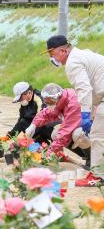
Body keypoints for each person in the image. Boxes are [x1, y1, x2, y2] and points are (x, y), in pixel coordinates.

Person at [43, 35, 104, 186]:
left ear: (62, 50)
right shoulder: (83, 54)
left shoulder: (73, 62)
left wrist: (85, 114)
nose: (52, 58)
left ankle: (97, 176)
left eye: (52, 54)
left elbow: (84, 88)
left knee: (97, 136)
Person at [25, 83, 90, 166]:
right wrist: (33, 125)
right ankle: (83, 154)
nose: (48, 104)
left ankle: (91, 157)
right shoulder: (59, 100)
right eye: (46, 101)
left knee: (77, 135)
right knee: (55, 134)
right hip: (76, 123)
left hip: (90, 125)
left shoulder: (72, 102)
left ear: (57, 98)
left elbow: (65, 132)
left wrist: (49, 153)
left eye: (50, 101)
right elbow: (46, 113)